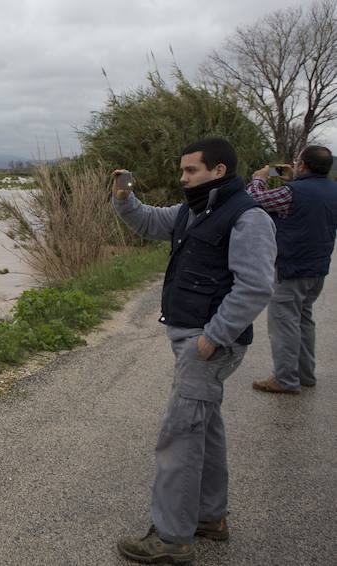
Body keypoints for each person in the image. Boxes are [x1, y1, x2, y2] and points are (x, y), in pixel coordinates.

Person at [111, 138, 277, 564]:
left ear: (218, 170)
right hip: (195, 340)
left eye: (190, 171)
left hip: (208, 346)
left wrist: (211, 338)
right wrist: (125, 198)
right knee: (204, 428)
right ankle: (209, 517)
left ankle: (171, 537)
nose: (182, 178)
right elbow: (150, 223)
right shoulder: (192, 209)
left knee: (178, 437)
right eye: (182, 171)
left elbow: (256, 285)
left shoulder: (248, 216)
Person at [245, 145, 337, 394]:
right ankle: (306, 375)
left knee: (284, 323)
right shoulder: (332, 190)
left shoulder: (291, 192)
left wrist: (258, 179)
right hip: (318, 268)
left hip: (292, 266)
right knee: (304, 320)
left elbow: (253, 200)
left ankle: (285, 379)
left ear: (303, 165)